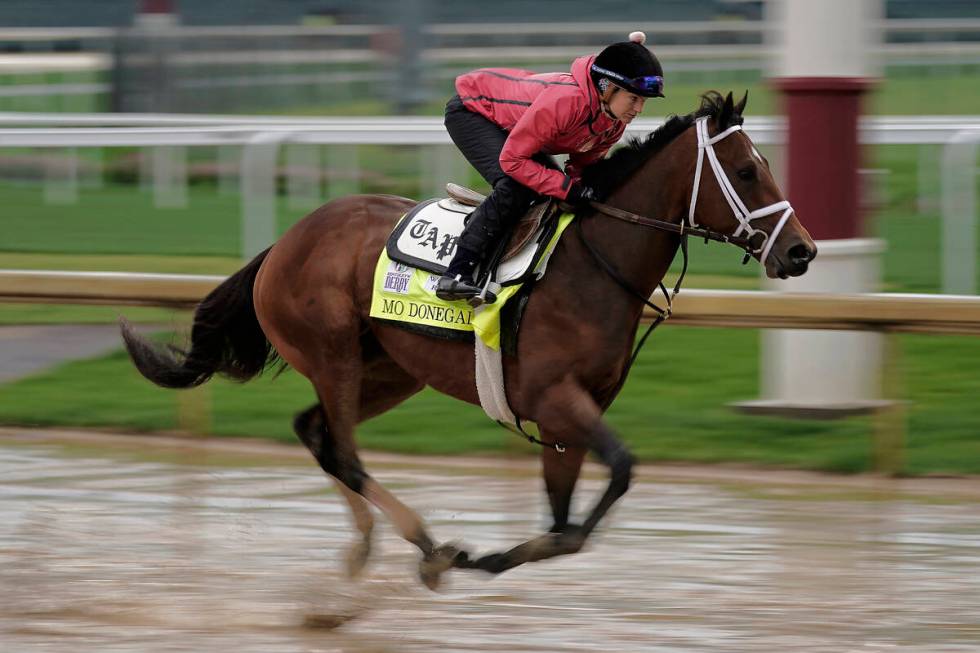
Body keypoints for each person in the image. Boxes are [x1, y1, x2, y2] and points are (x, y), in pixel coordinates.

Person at [435, 31, 665, 305]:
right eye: (633, 99)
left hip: (513, 125)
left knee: (556, 191)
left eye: (643, 101)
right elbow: (513, 161)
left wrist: (588, 188)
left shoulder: (613, 120)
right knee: (516, 187)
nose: (638, 109)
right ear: (607, 88)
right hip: (473, 111)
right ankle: (456, 273)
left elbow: (583, 167)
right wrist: (566, 187)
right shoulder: (566, 102)